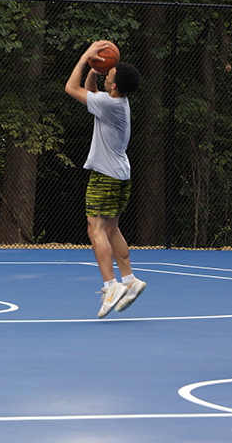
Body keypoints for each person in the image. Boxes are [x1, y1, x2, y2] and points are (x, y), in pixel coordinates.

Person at [65, 41, 144, 318]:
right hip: (121, 175)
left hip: (105, 176)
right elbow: (92, 92)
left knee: (94, 229)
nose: (109, 71)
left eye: (110, 72)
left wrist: (85, 57)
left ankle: (110, 287)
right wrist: (95, 69)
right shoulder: (116, 102)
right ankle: (130, 280)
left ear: (113, 86)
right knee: (111, 230)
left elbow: (71, 89)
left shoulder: (109, 105)